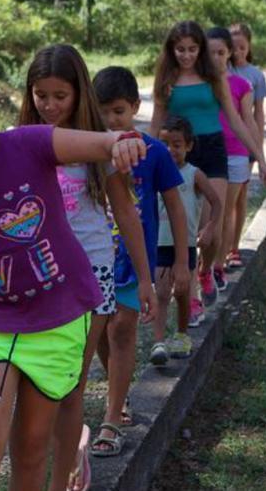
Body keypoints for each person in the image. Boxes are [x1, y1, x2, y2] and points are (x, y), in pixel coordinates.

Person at [0, 67, 148, 491]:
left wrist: (121, 141)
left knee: (32, 450)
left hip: (59, 320)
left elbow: (99, 142)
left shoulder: (29, 144)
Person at [16, 46, 155, 491]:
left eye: (61, 95)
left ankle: (68, 468)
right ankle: (53, 459)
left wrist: (147, 278)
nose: (51, 105)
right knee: (42, 382)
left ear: (79, 94)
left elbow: (126, 214)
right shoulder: (23, 141)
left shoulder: (99, 145)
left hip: (92, 274)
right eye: (41, 95)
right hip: (40, 275)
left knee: (71, 379)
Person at [91, 66, 187, 440]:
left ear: (135, 106)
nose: (110, 120)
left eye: (118, 111)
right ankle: (118, 391)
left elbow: (176, 208)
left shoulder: (154, 152)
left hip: (134, 262)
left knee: (121, 328)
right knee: (100, 331)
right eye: (103, 112)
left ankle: (111, 419)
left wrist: (180, 260)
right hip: (97, 261)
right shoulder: (89, 151)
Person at [148, 21, 266, 305]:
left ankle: (206, 270)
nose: (186, 55)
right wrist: (143, 161)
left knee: (212, 228)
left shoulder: (213, 76)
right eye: (180, 49)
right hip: (179, 155)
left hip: (213, 149)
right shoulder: (166, 80)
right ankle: (191, 297)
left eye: (192, 49)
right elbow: (156, 125)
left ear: (200, 49)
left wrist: (261, 158)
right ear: (171, 50)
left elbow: (236, 120)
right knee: (190, 227)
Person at [154, 115, 222, 361]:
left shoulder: (194, 174)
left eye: (177, 145)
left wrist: (210, 228)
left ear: (189, 146)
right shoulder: (155, 173)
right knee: (161, 292)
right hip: (160, 243)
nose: (170, 150)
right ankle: (158, 342)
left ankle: (181, 334)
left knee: (182, 293)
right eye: (164, 144)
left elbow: (216, 202)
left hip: (185, 244)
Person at [207, 26, 259, 291]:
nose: (216, 58)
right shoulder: (199, 83)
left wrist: (258, 155)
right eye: (211, 53)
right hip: (205, 153)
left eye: (221, 53)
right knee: (206, 214)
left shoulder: (242, 84)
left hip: (236, 155)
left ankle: (218, 265)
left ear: (229, 54)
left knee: (225, 212)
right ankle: (203, 266)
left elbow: (247, 121)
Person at [225, 22, 266, 271]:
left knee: (241, 196)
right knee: (223, 198)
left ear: (249, 47)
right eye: (234, 47)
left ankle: (234, 248)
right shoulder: (220, 71)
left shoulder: (255, 75)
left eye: (242, 47)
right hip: (224, 142)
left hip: (246, 142)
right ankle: (219, 245)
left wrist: (258, 145)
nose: (238, 51)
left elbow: (258, 113)